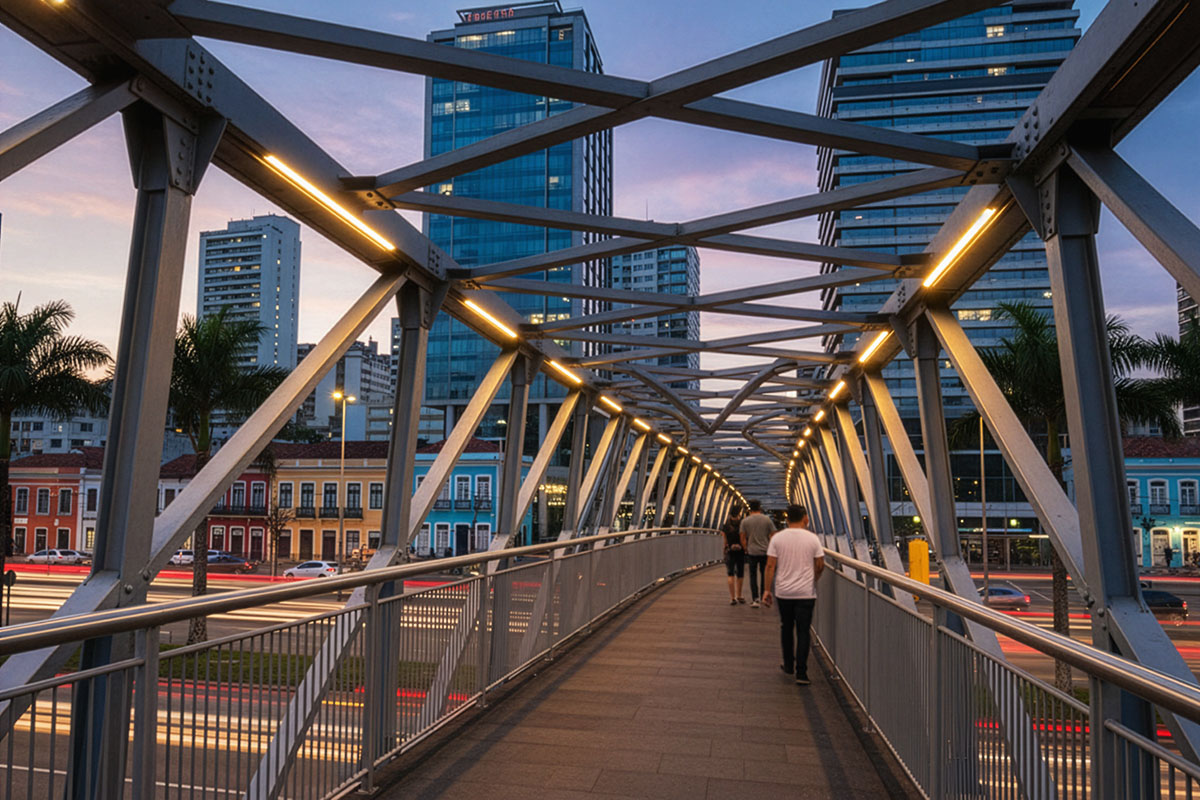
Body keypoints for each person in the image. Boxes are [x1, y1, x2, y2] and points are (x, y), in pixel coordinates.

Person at [763, 504, 824, 685]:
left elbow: (770, 565)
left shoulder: (777, 538)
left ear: (787, 519)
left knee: (786, 627)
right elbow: (820, 565)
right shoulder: (813, 539)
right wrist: (813, 579)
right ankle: (802, 673)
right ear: (805, 518)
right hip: (806, 593)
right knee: (803, 631)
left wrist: (767, 590)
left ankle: (789, 664)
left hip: (784, 592)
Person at [739, 499, 776, 608]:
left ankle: (755, 599)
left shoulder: (745, 521)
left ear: (750, 508)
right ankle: (764, 596)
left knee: (753, 575)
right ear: (760, 508)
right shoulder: (767, 520)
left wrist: (746, 548)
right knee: (765, 574)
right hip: (765, 551)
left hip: (752, 551)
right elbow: (774, 534)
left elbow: (742, 537)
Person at [721, 507, 746, 605]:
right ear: (739, 514)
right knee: (740, 574)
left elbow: (724, 540)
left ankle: (732, 598)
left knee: (730, 574)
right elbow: (744, 537)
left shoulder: (726, 525)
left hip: (730, 551)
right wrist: (744, 547)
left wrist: (725, 549)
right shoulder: (742, 524)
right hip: (740, 551)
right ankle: (739, 595)